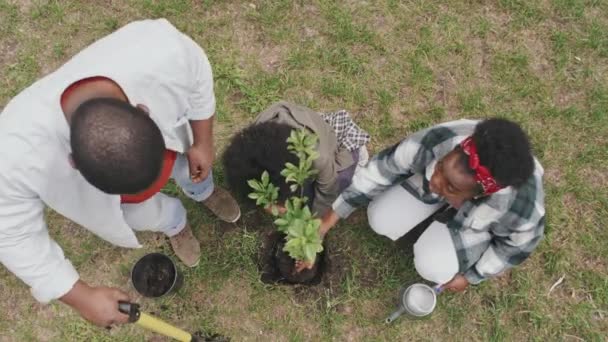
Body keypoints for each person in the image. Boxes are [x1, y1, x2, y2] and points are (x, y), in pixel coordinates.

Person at [0, 19, 240, 328]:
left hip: (174, 155)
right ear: (73, 163)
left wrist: (203, 141)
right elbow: (11, 233)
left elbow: (197, 76)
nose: (157, 186)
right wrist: (80, 296)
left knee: (192, 168)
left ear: (143, 110)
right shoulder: (13, 152)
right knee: (148, 213)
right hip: (123, 206)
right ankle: (176, 223)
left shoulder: (159, 49)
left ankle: (204, 191)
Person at [304, 118, 545, 292]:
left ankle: (449, 216)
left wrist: (472, 276)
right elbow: (384, 168)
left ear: (480, 194)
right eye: (439, 168)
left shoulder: (518, 208)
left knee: (432, 266)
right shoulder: (446, 139)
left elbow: (515, 248)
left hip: (476, 223)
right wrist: (329, 218)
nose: (434, 183)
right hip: (462, 186)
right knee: (380, 218)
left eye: (450, 187)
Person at [222, 101, 370, 216]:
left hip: (335, 144)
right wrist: (268, 204)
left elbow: (327, 192)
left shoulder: (317, 156)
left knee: (338, 181)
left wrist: (314, 221)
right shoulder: (254, 138)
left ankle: (360, 159)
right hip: (303, 126)